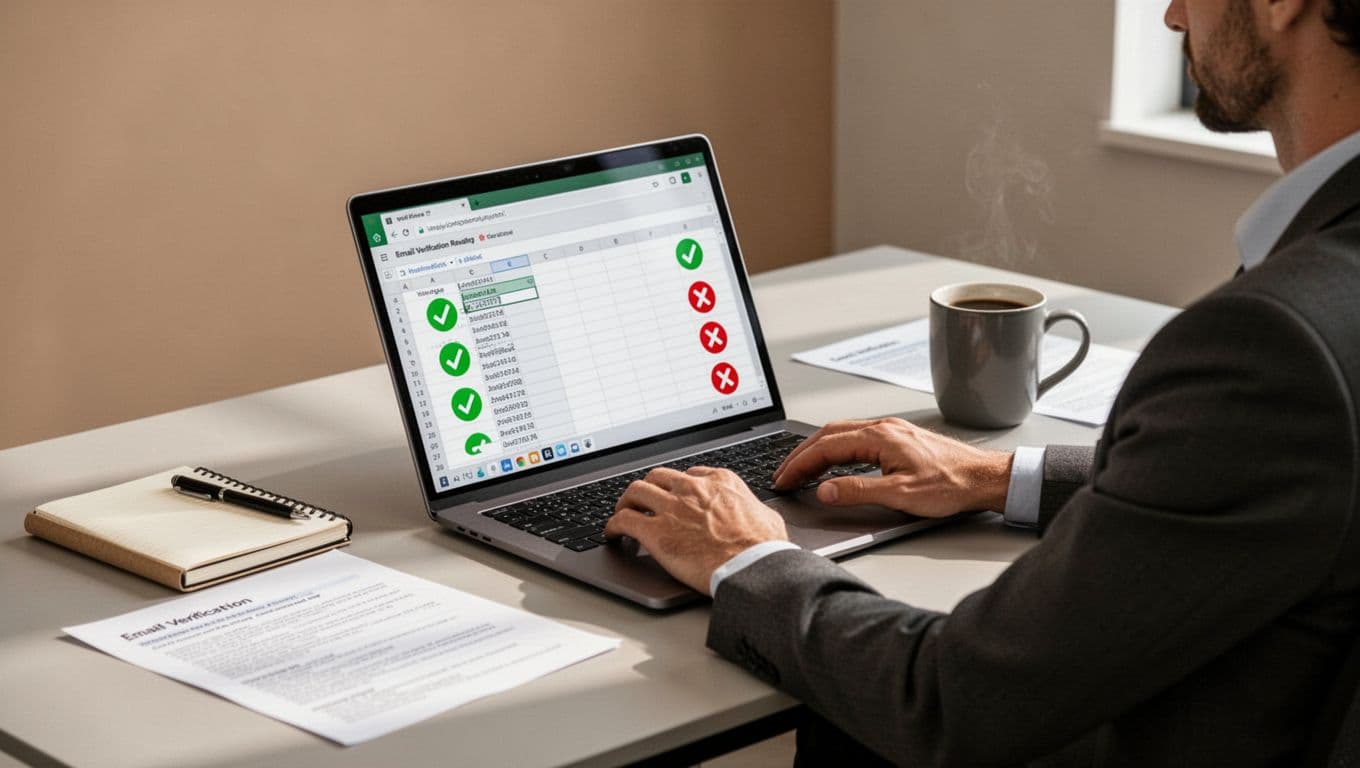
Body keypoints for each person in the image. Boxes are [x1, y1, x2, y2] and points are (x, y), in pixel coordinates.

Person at [603, 0, 1360, 764]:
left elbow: (946, 703)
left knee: (848, 722)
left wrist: (746, 559)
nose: (1169, 16)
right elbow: (1280, 480)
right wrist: (999, 477)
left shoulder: (1272, 341)